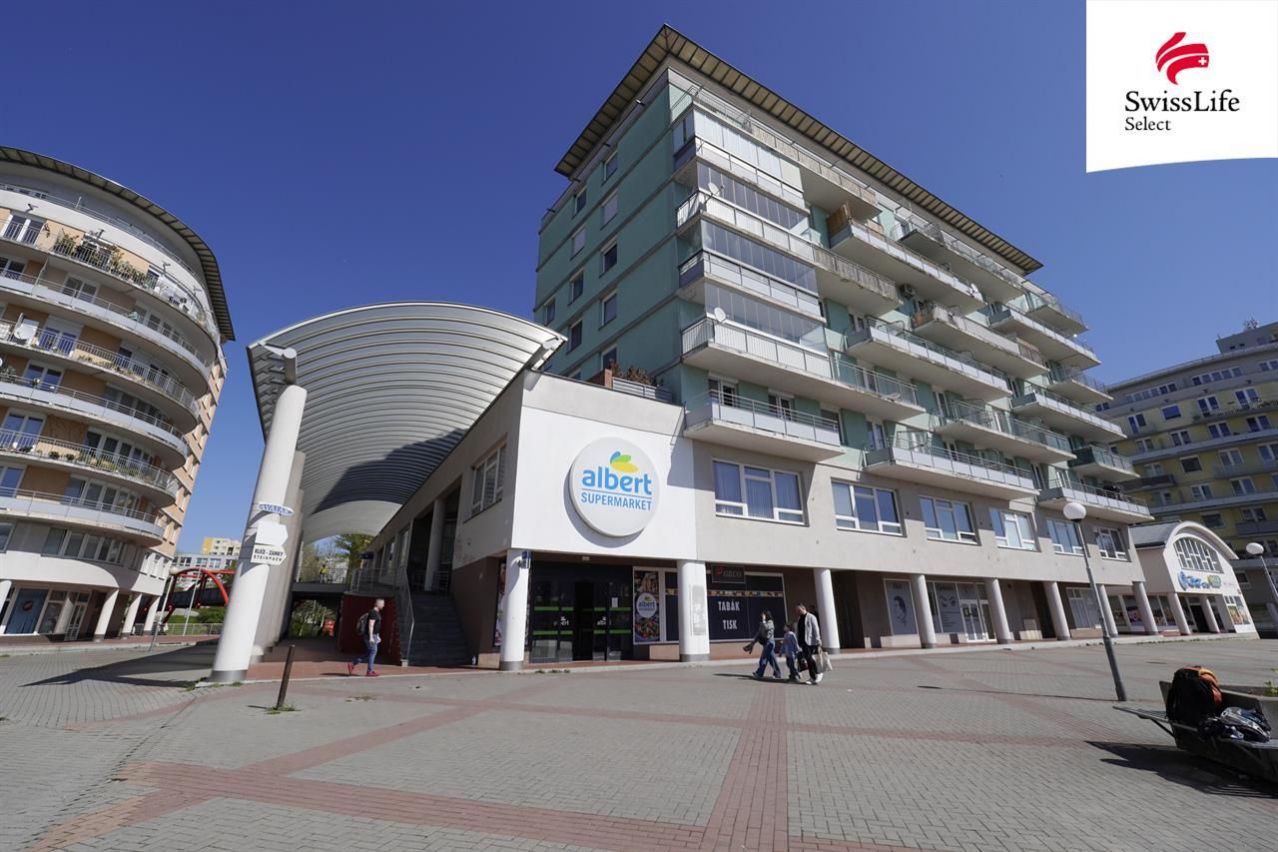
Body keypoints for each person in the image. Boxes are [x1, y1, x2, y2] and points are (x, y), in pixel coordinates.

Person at [347, 598, 384, 677]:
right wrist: (371, 637)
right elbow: (371, 625)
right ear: (377, 604)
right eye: (382, 604)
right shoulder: (373, 613)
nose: (383, 605)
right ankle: (369, 671)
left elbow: (376, 626)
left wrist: (377, 636)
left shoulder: (376, 613)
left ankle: (352, 664)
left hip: (374, 635)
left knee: (369, 653)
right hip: (370, 635)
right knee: (373, 651)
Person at [794, 603, 823, 685]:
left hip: (810, 642)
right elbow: (798, 630)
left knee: (810, 659)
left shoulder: (811, 617)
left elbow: (816, 628)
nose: (798, 612)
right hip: (802, 642)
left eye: (799, 610)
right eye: (797, 610)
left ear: (804, 608)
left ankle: (816, 674)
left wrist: (818, 640)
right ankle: (814, 676)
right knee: (808, 659)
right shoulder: (800, 618)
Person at [749, 610, 782, 680]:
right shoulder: (763, 623)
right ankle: (777, 673)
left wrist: (763, 620)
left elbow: (766, 628)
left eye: (763, 615)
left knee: (763, 659)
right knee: (772, 660)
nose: (762, 616)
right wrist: (753, 642)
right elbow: (759, 633)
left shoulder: (770, 622)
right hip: (765, 643)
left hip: (770, 643)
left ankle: (759, 674)